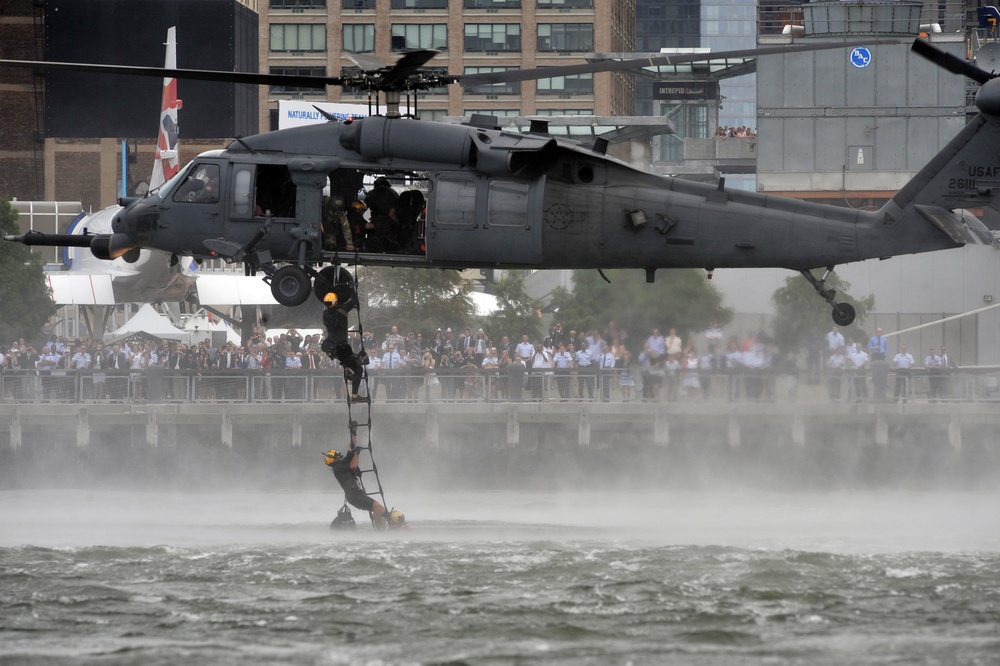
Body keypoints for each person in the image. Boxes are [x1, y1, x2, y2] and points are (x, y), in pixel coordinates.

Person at [323, 424, 404, 530]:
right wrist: (357, 453)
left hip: (356, 494)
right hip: (354, 495)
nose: (342, 456)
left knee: (379, 509)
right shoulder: (338, 467)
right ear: (334, 459)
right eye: (339, 456)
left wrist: (354, 433)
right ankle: (390, 520)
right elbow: (353, 465)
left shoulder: (342, 463)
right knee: (379, 508)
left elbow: (351, 447)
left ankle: (382, 533)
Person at [320, 279, 368, 403]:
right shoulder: (342, 310)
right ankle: (355, 396)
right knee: (359, 369)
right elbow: (354, 301)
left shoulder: (325, 314)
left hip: (329, 346)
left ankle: (347, 369)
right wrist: (351, 288)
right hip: (341, 347)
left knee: (348, 360)